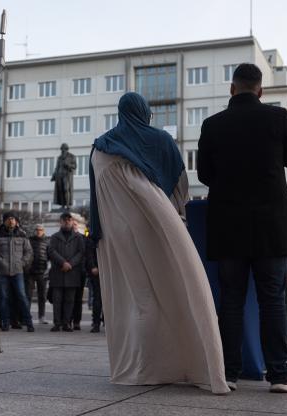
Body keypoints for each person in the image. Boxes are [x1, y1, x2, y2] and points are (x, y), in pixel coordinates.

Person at [90, 91, 229, 395]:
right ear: (145, 112)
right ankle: (188, 362)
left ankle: (144, 367)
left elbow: (96, 199)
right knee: (178, 290)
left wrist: (97, 236)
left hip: (118, 233)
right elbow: (179, 188)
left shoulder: (99, 148)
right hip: (158, 226)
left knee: (140, 299)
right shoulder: (160, 140)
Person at [197, 63, 287, 393]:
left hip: (228, 226)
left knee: (231, 300)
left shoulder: (212, 124)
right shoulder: (278, 118)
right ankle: (280, 375)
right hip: (270, 226)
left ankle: (228, 372)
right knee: (273, 299)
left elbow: (204, 175)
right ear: (261, 90)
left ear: (232, 89)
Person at [0, 211, 34, 332]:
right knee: (3, 297)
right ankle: (5, 322)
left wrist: (22, 263)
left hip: (18, 271)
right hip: (2, 272)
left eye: (13, 219)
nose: (11, 221)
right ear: (4, 221)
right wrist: (1, 262)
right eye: (8, 218)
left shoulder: (23, 235)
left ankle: (28, 322)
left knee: (22, 296)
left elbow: (29, 252)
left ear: (16, 221)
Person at [47, 212, 85, 333]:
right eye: (65, 220)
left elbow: (81, 253)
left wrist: (70, 264)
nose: (67, 222)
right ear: (61, 222)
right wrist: (63, 262)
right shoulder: (54, 237)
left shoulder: (78, 237)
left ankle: (67, 323)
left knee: (70, 300)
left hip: (72, 273)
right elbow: (51, 251)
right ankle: (57, 323)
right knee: (57, 300)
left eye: (69, 220)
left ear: (71, 221)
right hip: (57, 272)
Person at [27, 224, 49, 324]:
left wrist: (47, 269)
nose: (38, 231)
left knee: (42, 296)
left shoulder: (47, 242)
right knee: (28, 295)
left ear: (43, 231)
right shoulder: (29, 241)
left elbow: (49, 256)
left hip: (42, 272)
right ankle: (27, 316)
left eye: (40, 230)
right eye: (37, 230)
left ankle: (42, 316)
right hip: (30, 272)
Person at [71, 218, 88, 330]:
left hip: (79, 272)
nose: (74, 226)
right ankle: (67, 320)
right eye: (73, 224)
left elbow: (84, 255)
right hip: (68, 272)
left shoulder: (82, 238)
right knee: (68, 298)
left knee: (78, 298)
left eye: (75, 224)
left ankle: (76, 321)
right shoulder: (64, 237)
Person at [85, 234, 102, 333]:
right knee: (97, 298)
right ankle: (96, 323)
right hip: (97, 271)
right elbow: (89, 253)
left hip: (106, 270)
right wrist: (92, 266)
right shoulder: (92, 237)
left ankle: (102, 321)